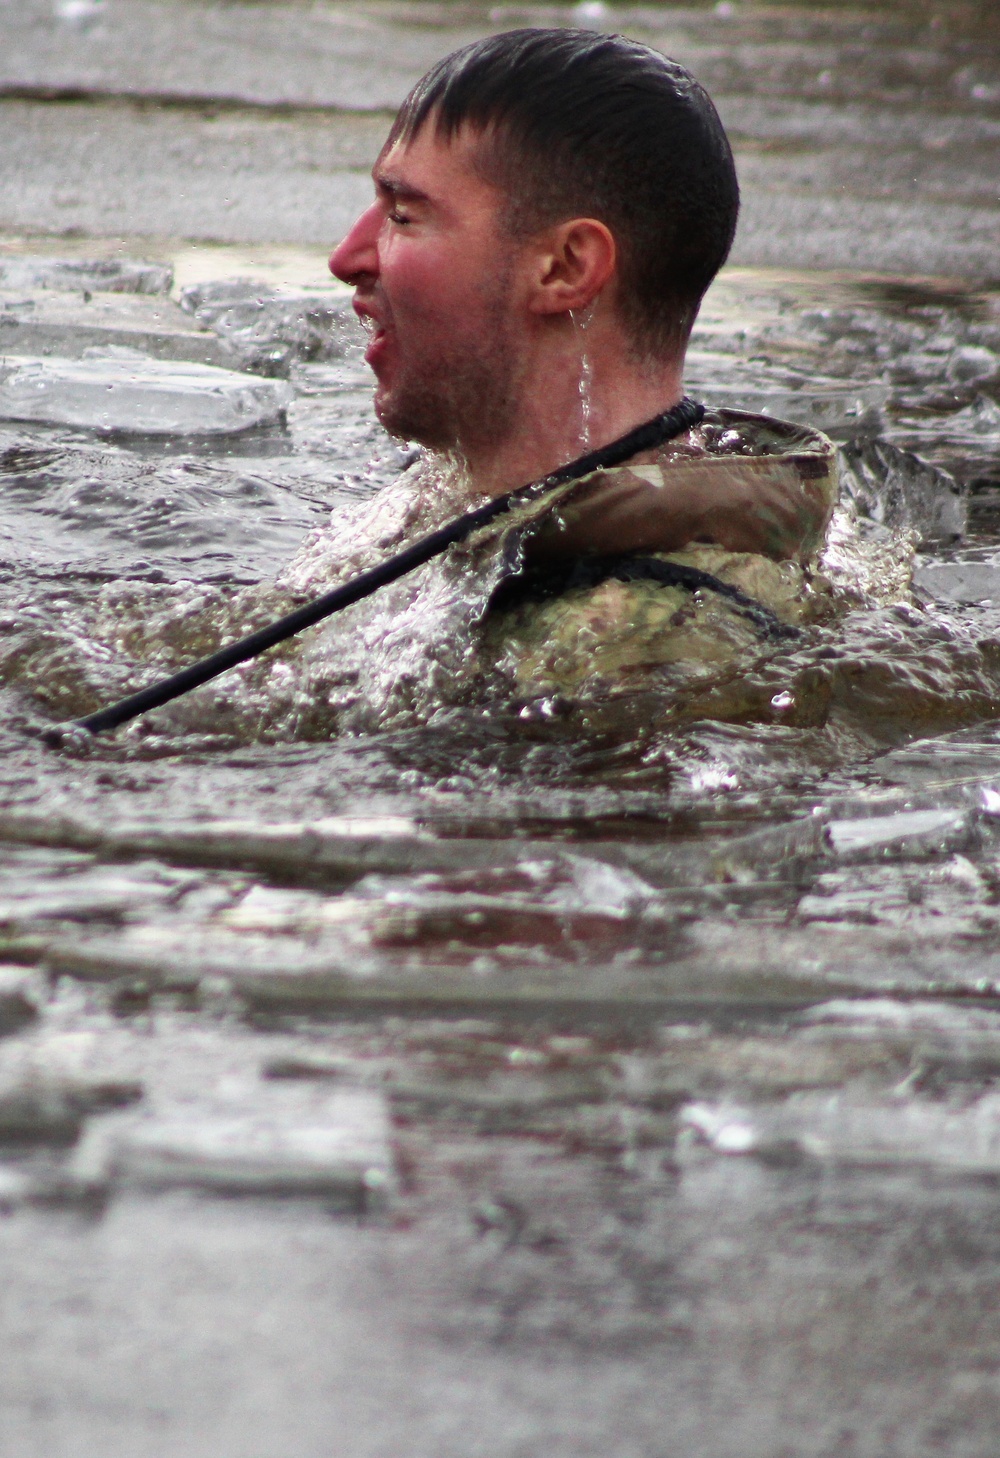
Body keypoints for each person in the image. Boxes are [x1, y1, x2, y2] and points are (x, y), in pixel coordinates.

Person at [294, 28, 840, 702]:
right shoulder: (461, 511)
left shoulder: (644, 660)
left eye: (403, 215)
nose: (347, 256)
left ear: (565, 268)